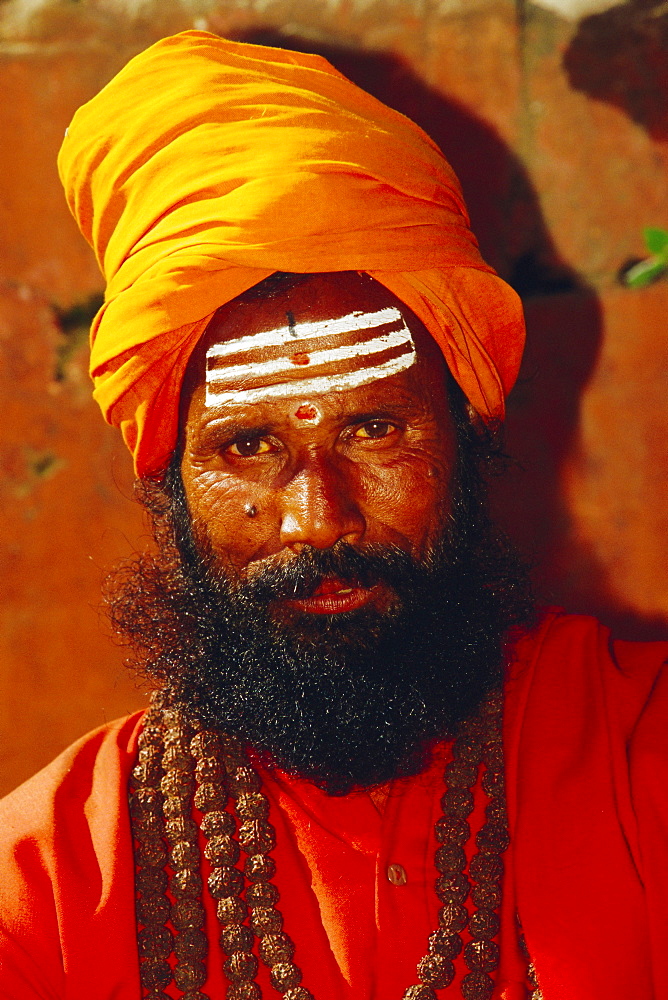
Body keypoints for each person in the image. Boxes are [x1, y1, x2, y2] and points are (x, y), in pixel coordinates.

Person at [0, 30, 666, 1000]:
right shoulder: (48, 886)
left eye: (371, 430)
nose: (317, 520)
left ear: (465, 433)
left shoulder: (632, 759)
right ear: (167, 479)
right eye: (248, 448)